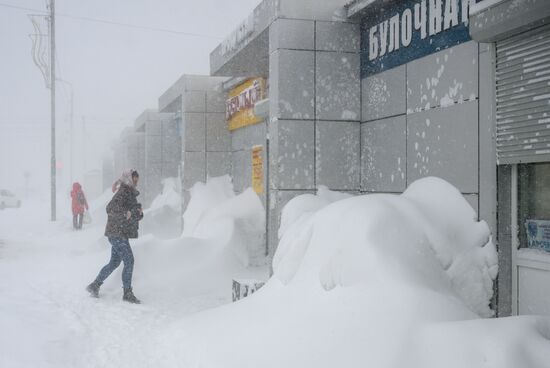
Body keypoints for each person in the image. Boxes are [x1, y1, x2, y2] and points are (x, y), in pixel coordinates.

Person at [86, 169, 144, 304]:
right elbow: (110, 208)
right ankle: (127, 293)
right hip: (117, 233)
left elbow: (133, 214)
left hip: (119, 233)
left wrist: (138, 212)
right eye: (134, 179)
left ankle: (94, 285)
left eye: (137, 179)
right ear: (129, 179)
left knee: (114, 262)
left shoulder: (129, 193)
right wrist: (127, 213)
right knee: (129, 261)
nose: (136, 182)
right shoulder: (123, 192)